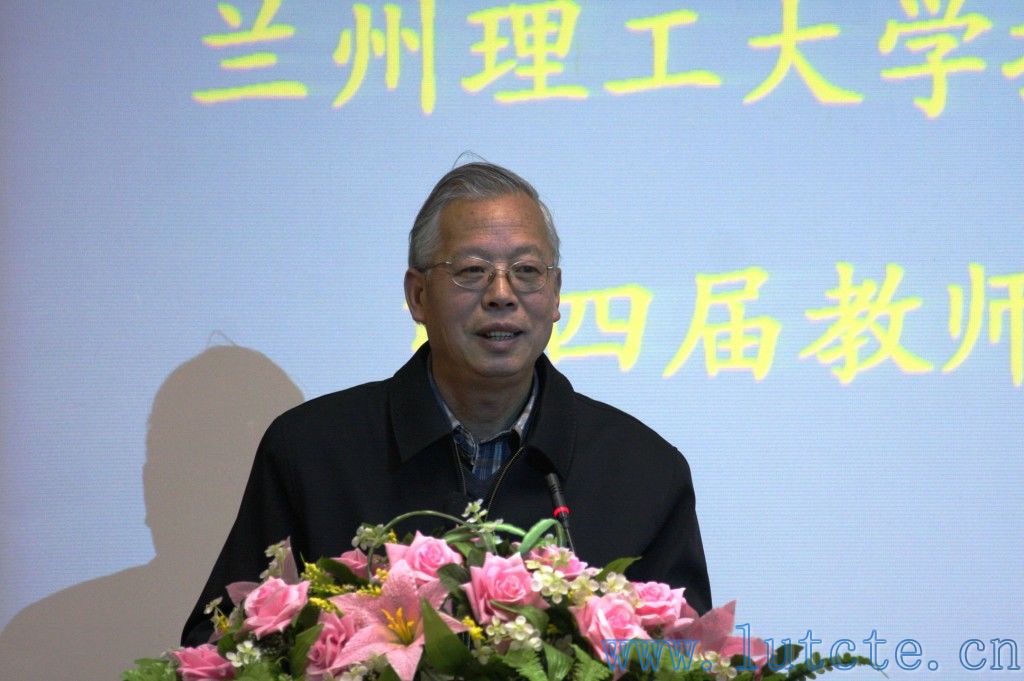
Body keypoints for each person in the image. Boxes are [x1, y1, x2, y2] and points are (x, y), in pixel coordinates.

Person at [182, 161, 711, 646]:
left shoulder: (644, 470)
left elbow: (689, 658)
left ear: (555, 296)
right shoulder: (311, 451)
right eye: (472, 270)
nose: (502, 293)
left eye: (527, 271)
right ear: (417, 296)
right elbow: (219, 643)